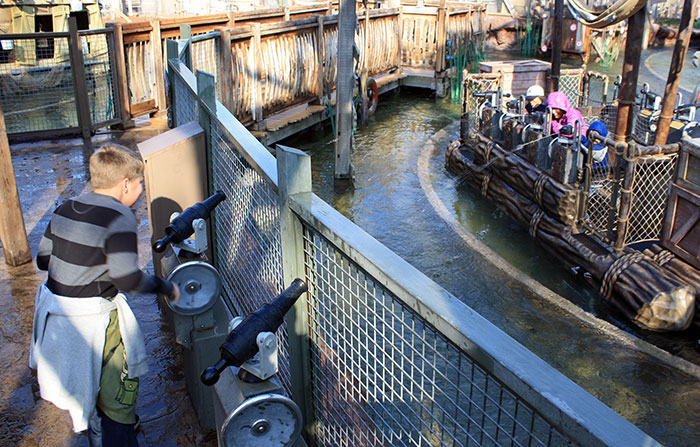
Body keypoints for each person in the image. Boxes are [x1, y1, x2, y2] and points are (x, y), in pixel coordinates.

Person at [30, 143, 180, 447]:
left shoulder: (65, 207)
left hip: (57, 316)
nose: (140, 190)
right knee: (117, 399)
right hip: (93, 320)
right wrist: (165, 287)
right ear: (125, 184)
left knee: (90, 394)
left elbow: (43, 260)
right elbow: (127, 279)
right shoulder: (120, 216)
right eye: (140, 184)